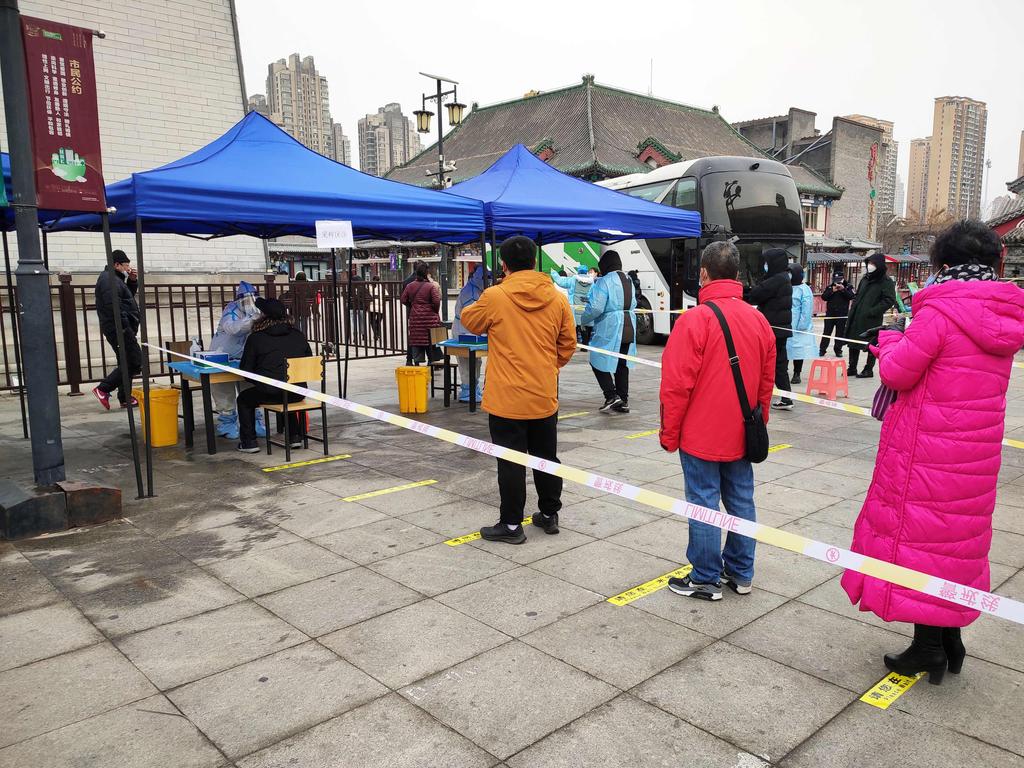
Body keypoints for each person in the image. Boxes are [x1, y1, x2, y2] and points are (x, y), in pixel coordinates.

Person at [842, 220, 1024, 684]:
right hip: (974, 457)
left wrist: (887, 340)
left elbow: (898, 373)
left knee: (922, 543)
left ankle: (929, 649)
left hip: (927, 452)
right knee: (953, 544)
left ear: (943, 263)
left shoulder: (939, 312)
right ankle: (948, 639)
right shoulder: (1002, 313)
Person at [660, 241, 776, 601]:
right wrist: (759, 424)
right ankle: (741, 573)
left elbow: (676, 385)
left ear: (704, 274)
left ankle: (706, 577)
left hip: (700, 434)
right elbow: (765, 384)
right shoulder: (759, 320)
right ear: (738, 275)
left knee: (704, 502)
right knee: (741, 502)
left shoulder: (694, 320)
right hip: (743, 431)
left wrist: (669, 433)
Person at [461, 235, 576, 544]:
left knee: (510, 461)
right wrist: (548, 368)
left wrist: (497, 289)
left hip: (506, 397)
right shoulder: (558, 297)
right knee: (545, 457)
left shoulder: (495, 295)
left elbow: (468, 319)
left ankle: (512, 524)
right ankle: (549, 514)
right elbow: (568, 344)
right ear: (535, 261)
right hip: (543, 393)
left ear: (504, 264)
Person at [236, 297, 312, 453]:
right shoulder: (298, 335)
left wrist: (262, 377)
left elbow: (246, 371)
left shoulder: (256, 338)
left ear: (262, 316)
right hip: (298, 392)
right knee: (288, 389)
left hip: (270, 392)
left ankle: (249, 442)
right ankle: (294, 436)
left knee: (243, 399)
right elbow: (308, 361)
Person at [581, 251, 638, 414]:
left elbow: (597, 307)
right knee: (622, 363)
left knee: (596, 357)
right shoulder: (628, 280)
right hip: (629, 324)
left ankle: (611, 395)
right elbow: (634, 302)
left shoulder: (604, 281)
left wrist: (583, 319)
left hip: (612, 326)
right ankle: (623, 400)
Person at [208, 281, 264, 439]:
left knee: (249, 387)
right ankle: (227, 422)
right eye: (246, 300)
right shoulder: (231, 309)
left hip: (245, 357)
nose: (249, 303)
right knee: (223, 390)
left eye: (252, 299)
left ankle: (255, 421)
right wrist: (252, 320)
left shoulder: (259, 310)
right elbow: (232, 328)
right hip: (222, 356)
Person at [92, 250, 142, 410]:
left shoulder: (115, 279)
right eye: (126, 265)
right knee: (135, 361)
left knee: (126, 361)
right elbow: (114, 307)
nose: (128, 268)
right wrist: (125, 328)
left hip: (122, 327)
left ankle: (125, 398)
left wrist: (133, 281)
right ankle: (103, 388)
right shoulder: (108, 280)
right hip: (119, 328)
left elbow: (126, 299)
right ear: (116, 264)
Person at [744, 248, 793, 410]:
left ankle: (783, 397)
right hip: (780, 328)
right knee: (780, 363)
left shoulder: (777, 279)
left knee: (772, 363)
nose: (764, 265)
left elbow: (756, 294)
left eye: (766, 262)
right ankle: (786, 397)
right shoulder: (783, 277)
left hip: (773, 328)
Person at [846, 253, 898, 378]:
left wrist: (873, 311)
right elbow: (858, 295)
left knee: (871, 343)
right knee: (853, 342)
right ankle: (852, 367)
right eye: (869, 263)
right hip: (857, 315)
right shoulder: (865, 278)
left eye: (873, 264)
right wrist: (853, 308)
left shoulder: (886, 281)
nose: (870, 266)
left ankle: (868, 369)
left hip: (872, 318)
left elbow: (889, 300)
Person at [451, 264, 490, 403]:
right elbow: (473, 316)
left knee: (476, 362)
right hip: (463, 331)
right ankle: (467, 391)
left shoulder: (477, 290)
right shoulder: (470, 292)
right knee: (466, 363)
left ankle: (473, 388)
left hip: (471, 332)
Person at [400, 261, 442, 365]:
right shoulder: (431, 286)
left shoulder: (410, 286)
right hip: (430, 319)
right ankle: (431, 361)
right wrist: (434, 311)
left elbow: (403, 299)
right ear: (426, 273)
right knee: (430, 340)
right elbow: (436, 301)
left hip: (416, 318)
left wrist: (413, 306)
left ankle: (416, 362)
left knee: (416, 340)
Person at [787, 264, 818, 385]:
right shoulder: (787, 287)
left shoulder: (804, 289)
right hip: (787, 322)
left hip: (799, 325)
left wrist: (802, 325)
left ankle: (797, 373)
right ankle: (784, 370)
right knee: (785, 349)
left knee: (798, 351)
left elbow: (806, 308)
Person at [550, 264, 596, 342]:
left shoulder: (573, 279)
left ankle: (574, 343)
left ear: (578, 271)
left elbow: (561, 282)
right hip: (586, 307)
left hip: (574, 308)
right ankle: (585, 345)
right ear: (586, 272)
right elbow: (594, 295)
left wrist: (553, 273)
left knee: (573, 327)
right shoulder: (592, 282)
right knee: (584, 326)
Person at [819, 270, 855, 356]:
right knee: (826, 332)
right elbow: (824, 297)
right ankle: (822, 350)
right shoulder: (830, 286)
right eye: (835, 279)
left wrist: (843, 290)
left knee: (840, 333)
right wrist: (832, 291)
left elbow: (851, 296)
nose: (837, 281)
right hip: (830, 314)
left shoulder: (848, 286)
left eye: (839, 279)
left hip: (842, 314)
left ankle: (838, 350)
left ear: (843, 278)